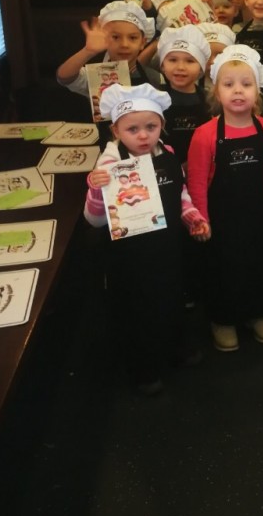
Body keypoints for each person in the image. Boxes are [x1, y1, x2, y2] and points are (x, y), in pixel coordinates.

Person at [83, 83, 209, 395]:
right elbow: (94, 219)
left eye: (151, 127)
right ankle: (144, 368)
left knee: (171, 298)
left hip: (167, 249)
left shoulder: (168, 154)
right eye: (132, 129)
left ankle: (175, 347)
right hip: (130, 257)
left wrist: (192, 216)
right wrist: (97, 188)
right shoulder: (109, 165)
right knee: (138, 310)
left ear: (161, 126)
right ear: (116, 130)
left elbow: (180, 194)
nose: (143, 136)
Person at [187, 45, 263, 353]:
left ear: (257, 90)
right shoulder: (205, 135)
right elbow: (197, 183)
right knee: (223, 270)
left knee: (260, 267)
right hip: (220, 222)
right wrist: (200, 219)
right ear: (216, 91)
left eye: (246, 84)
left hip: (259, 219)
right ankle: (223, 319)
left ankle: (258, 313)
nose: (238, 90)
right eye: (229, 84)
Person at [56, 0, 160, 141]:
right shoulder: (97, 76)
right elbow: (64, 77)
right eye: (115, 37)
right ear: (104, 39)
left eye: (132, 38)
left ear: (142, 42)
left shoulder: (155, 78)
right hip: (110, 149)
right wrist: (88, 51)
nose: (124, 44)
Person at [156, 25, 212, 165]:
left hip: (204, 167)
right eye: (173, 60)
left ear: (201, 68)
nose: (180, 67)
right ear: (162, 65)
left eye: (190, 61)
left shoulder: (211, 100)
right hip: (167, 168)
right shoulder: (154, 100)